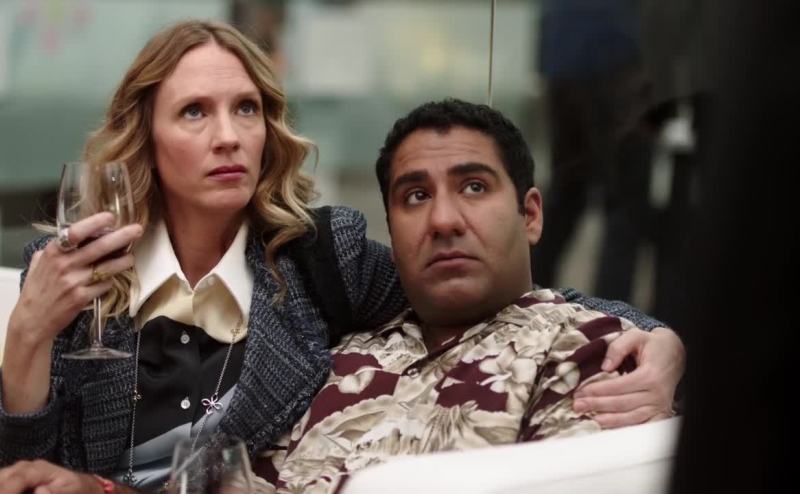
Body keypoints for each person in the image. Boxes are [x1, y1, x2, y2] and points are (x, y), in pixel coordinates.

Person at [0, 20, 682, 494]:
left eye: (246, 109)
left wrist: (658, 336)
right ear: (145, 135)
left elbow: (495, 287)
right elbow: (21, 471)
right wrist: (27, 333)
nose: (229, 136)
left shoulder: (318, 257)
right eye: (195, 113)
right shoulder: (74, 269)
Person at [257, 99, 683, 492]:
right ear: (392, 234)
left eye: (474, 187)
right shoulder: (329, 358)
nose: (443, 220)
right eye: (416, 196)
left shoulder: (583, 349)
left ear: (531, 216)